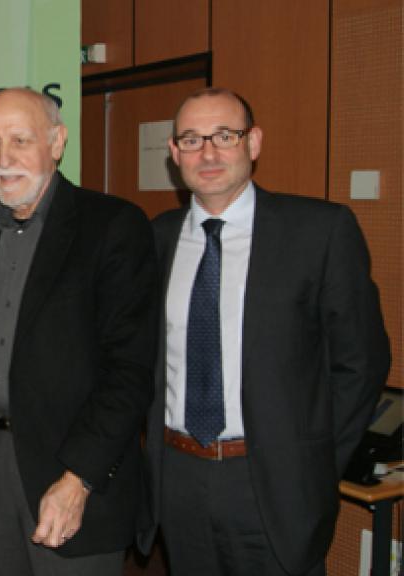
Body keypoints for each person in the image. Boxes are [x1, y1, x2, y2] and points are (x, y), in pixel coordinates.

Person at [137, 87, 391, 576]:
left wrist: (311, 462)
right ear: (173, 154)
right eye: (190, 139)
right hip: (178, 476)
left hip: (273, 481)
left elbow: (362, 363)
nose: (207, 152)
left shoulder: (319, 231)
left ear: (253, 143)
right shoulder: (156, 238)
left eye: (224, 136)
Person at [0, 87, 157, 575]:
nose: (3, 157)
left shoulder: (114, 226)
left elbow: (130, 371)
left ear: (56, 142)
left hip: (70, 462)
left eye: (20, 139)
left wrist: (79, 479)